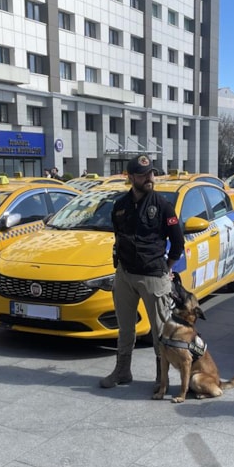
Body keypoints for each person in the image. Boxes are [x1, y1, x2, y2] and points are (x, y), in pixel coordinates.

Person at [100, 154, 185, 389]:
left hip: (153, 275)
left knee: (160, 331)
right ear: (131, 177)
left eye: (151, 174)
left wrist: (167, 269)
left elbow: (178, 242)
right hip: (125, 274)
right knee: (125, 328)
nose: (149, 178)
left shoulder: (163, 206)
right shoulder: (120, 206)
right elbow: (118, 237)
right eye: (143, 175)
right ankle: (122, 371)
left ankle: (161, 378)